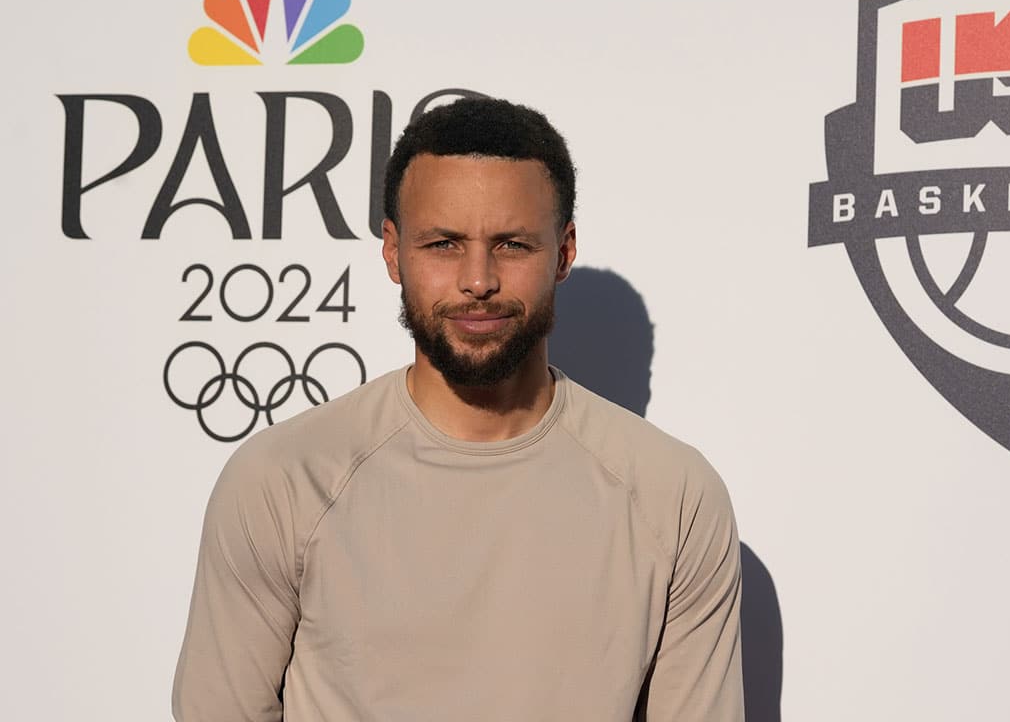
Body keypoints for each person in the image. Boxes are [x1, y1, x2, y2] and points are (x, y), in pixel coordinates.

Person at [171, 97, 744, 720]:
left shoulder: (675, 497)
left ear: (563, 251)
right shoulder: (283, 480)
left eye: (512, 244)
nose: (478, 279)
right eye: (444, 244)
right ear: (393, 252)